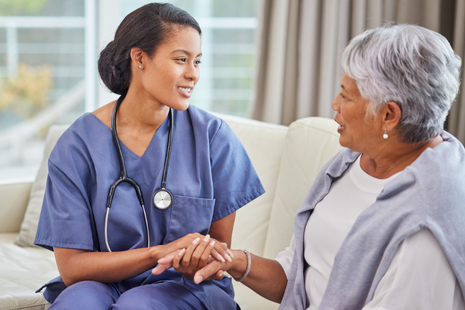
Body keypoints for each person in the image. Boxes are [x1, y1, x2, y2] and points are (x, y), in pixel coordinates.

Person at [155, 24, 465, 309]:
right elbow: (298, 279)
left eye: (347, 96)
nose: (335, 104)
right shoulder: (351, 162)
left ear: (389, 115)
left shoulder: (427, 224)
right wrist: (232, 261)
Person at [34, 3, 264, 309]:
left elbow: (220, 251)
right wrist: (157, 253)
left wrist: (200, 256)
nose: (193, 74)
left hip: (185, 288)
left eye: (197, 61)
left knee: (138, 305)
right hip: (100, 285)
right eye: (181, 60)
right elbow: (72, 268)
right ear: (139, 58)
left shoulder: (212, 137)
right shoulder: (78, 145)